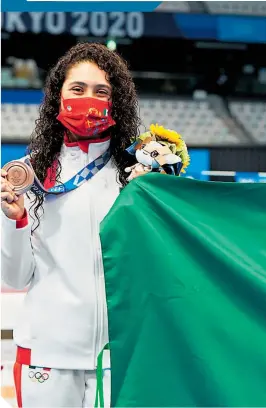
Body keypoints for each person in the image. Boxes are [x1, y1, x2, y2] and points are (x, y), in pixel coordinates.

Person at [1, 43, 144, 407]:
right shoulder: (31, 174)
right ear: (58, 95)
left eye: (101, 92)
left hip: (118, 355)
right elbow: (16, 278)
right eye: (77, 89)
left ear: (117, 102)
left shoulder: (137, 174)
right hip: (47, 355)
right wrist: (14, 220)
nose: (88, 100)